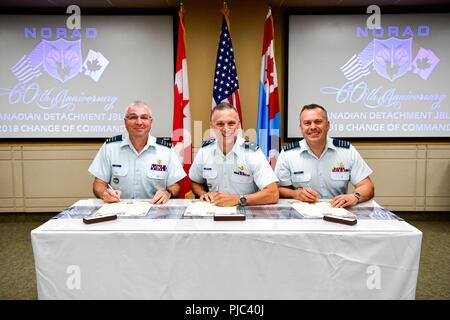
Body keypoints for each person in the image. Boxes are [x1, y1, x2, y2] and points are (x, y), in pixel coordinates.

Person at [274, 104, 374, 208]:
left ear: (328, 125)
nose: (313, 127)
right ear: (301, 128)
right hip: (302, 214)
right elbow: (278, 189)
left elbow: (367, 186)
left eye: (318, 122)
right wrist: (295, 194)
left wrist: (354, 196)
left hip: (338, 212)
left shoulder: (347, 151)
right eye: (307, 123)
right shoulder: (288, 154)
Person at [88, 100, 186, 204]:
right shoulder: (110, 148)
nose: (139, 122)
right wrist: (104, 193)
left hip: (155, 211)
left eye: (144, 117)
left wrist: (168, 193)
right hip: (118, 210)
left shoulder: (166, 150)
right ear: (125, 121)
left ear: (151, 122)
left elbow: (175, 186)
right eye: (133, 117)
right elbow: (99, 183)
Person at [189, 102, 279, 207]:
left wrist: (238, 199)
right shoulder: (205, 151)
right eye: (220, 124)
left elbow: (273, 193)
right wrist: (203, 194)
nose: (226, 129)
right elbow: (195, 182)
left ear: (238, 125)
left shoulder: (252, 153)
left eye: (231, 123)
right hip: (213, 211)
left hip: (246, 213)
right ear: (212, 126)